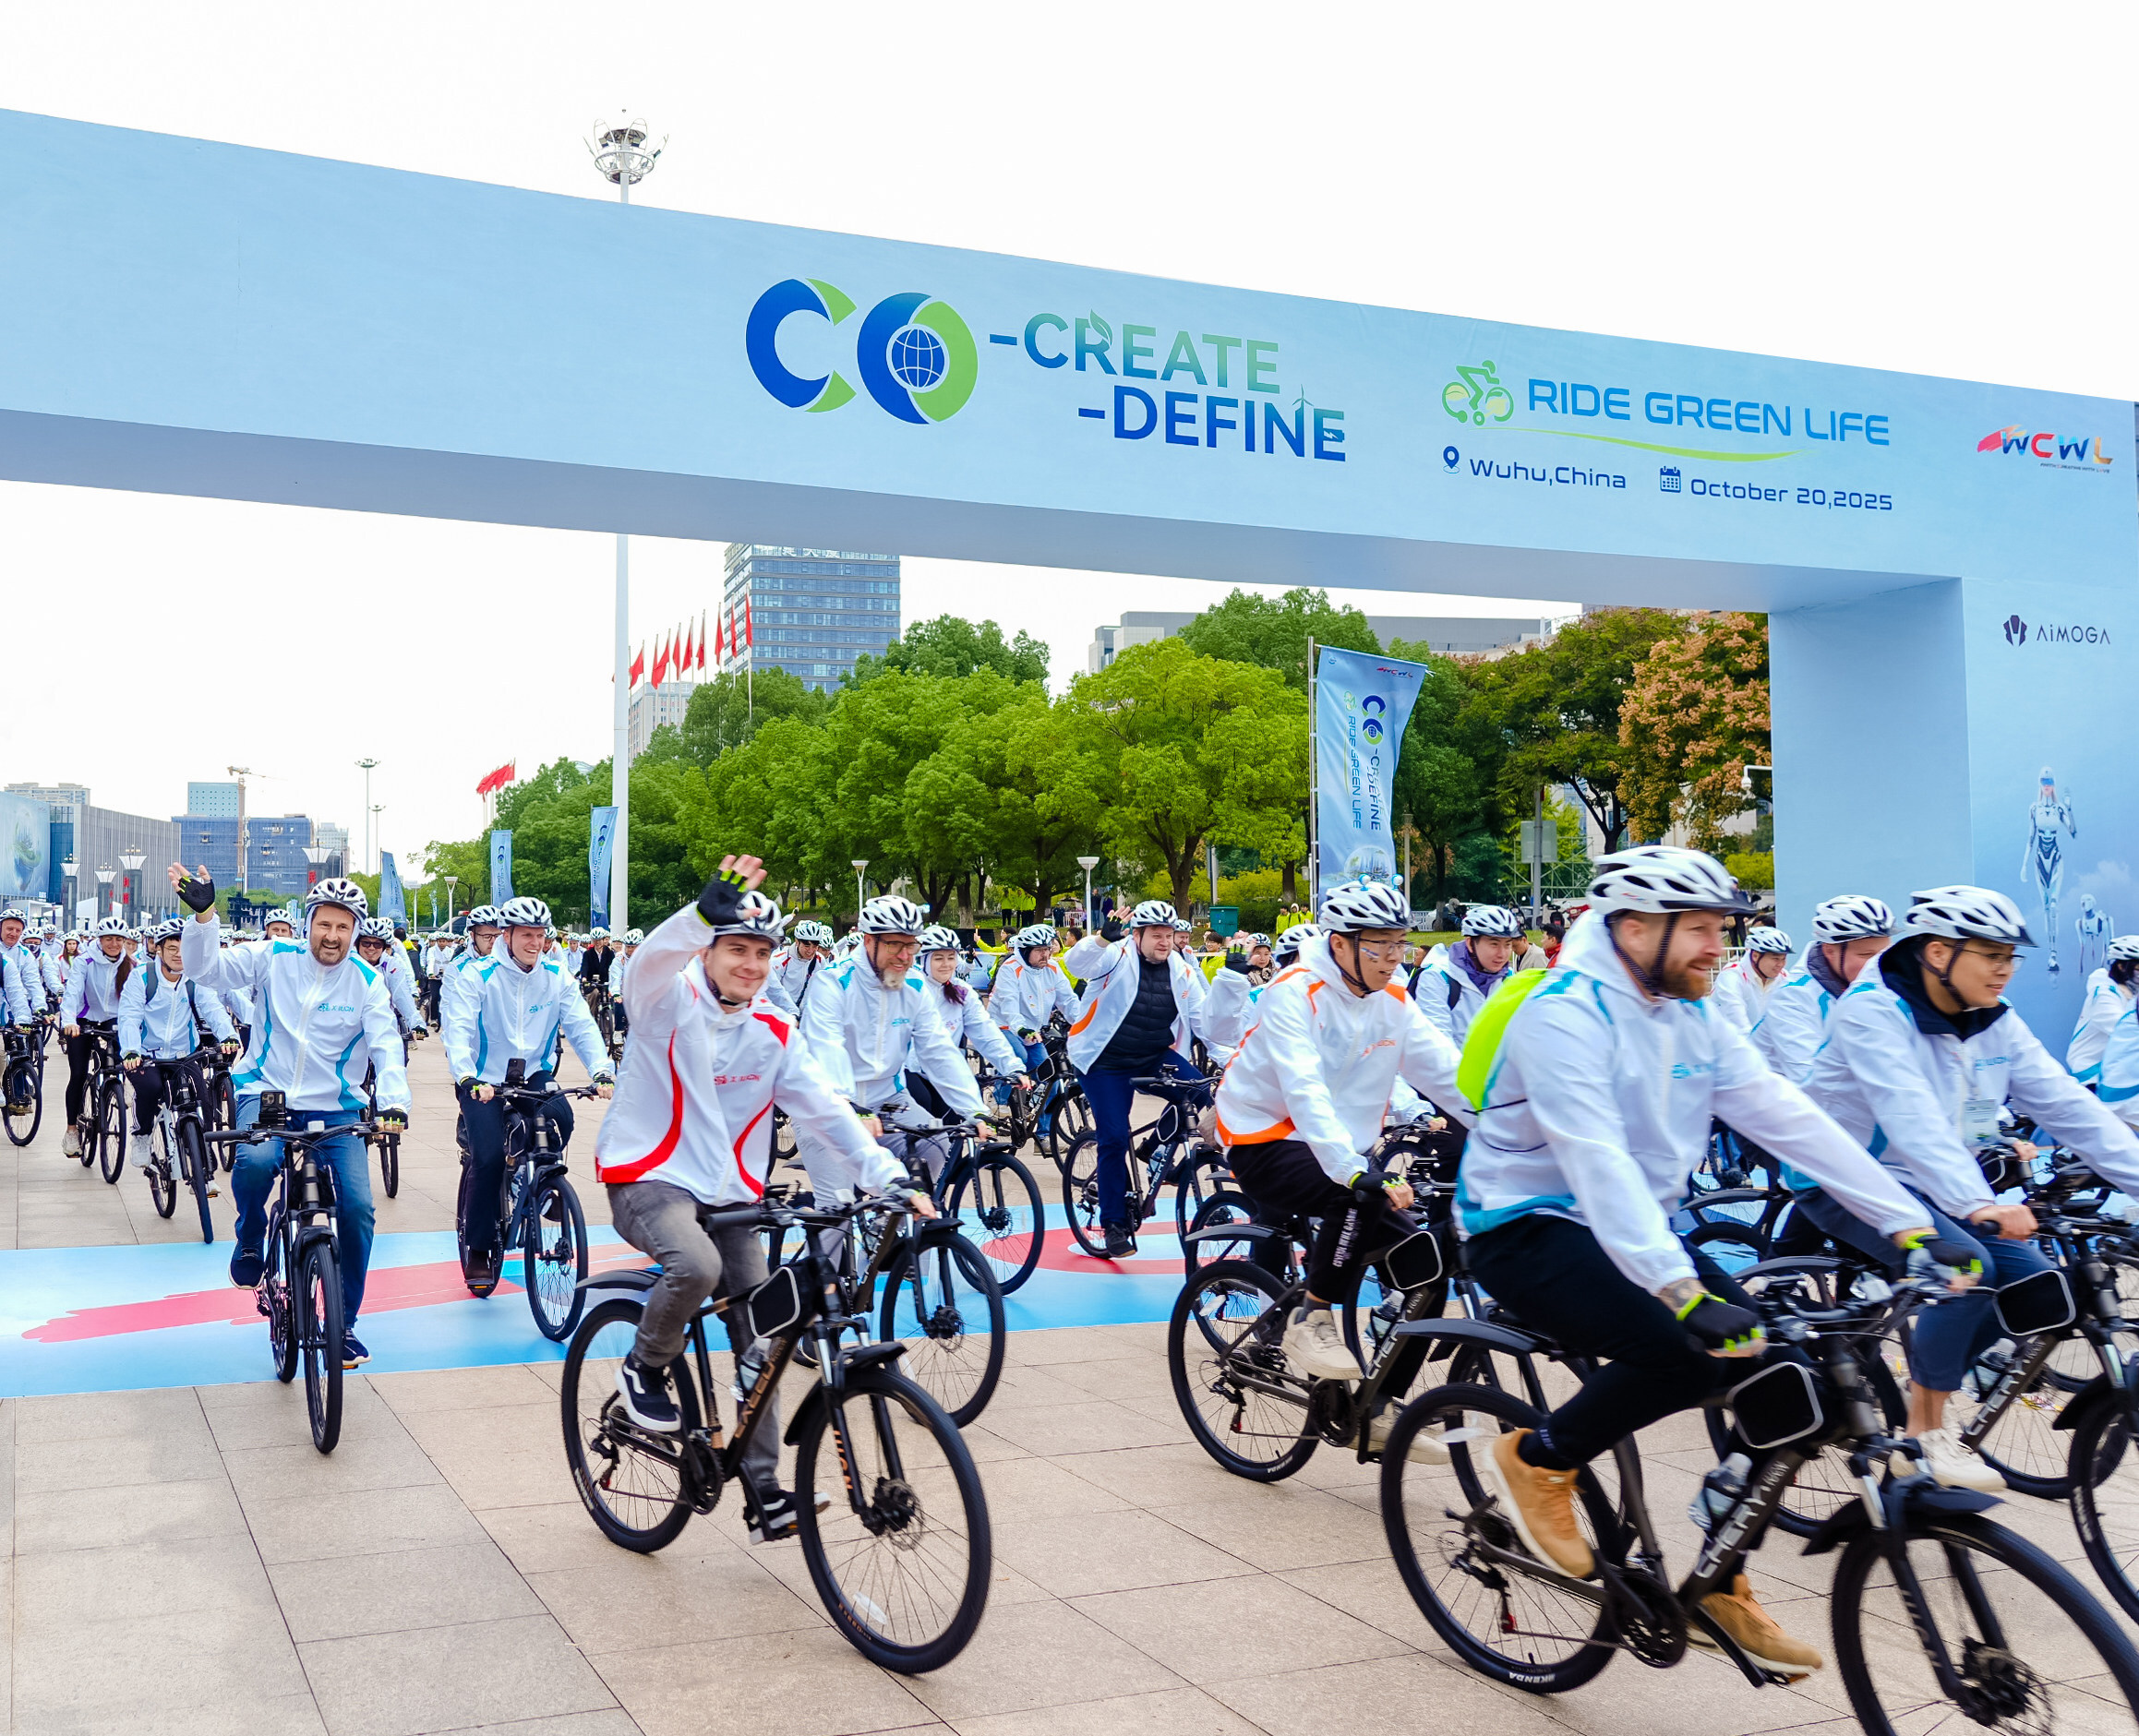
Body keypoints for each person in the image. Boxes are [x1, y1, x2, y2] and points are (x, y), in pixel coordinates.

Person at [1458, 847, 1941, 1680]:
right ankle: (1539, 1457)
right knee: (1682, 1353)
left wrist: (1907, 1223)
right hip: (1525, 1225)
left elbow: (1783, 1113)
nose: (1719, 946)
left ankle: (1719, 1576)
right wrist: (1681, 1291)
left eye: (1722, 928)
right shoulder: (1561, 1013)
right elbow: (1594, 1159)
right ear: (1631, 928)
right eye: (1701, 929)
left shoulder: (1692, 1009)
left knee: (1790, 1384)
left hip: (1639, 1229)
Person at [598, 857, 928, 1542]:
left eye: (761, 953)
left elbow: (826, 1110)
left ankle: (765, 1489)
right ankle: (644, 1366)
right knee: (695, 1267)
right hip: (649, 1176)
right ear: (708, 952)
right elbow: (648, 966)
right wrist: (697, 916)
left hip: (729, 1195)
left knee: (767, 1340)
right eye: (736, 949)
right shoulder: (667, 1003)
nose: (750, 965)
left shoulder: (775, 1029)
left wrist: (887, 1177)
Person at [1810, 885, 2139, 1489]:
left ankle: (1928, 1385)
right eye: (1990, 954)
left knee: (2039, 1282)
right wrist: (1979, 1204)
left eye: (2010, 956)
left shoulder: (1993, 1016)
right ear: (1938, 952)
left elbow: (2065, 1103)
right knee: (1967, 1267)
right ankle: (1923, 1434)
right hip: (1848, 1177)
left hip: (1935, 1179)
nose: (2004, 969)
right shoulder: (1871, 1010)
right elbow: (1909, 1116)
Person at [1214, 880, 1469, 1454]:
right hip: (1263, 1135)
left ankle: (1377, 1408)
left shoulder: (1393, 999)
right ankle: (1312, 1318)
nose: (1393, 957)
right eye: (1379, 945)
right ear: (1340, 944)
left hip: (1338, 1147)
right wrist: (1351, 1169)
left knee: (1427, 1268)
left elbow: (1449, 1074)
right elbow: (1302, 1087)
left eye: (1400, 944)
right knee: (1352, 1193)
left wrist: (1519, 1134)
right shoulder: (1293, 992)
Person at [173, 865, 409, 1368]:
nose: (333, 935)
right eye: (324, 924)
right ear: (308, 924)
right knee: (257, 1162)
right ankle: (251, 1235)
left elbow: (387, 1045)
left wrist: (393, 1102)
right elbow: (206, 972)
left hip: (336, 1109)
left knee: (358, 1209)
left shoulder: (368, 982)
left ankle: (344, 1323)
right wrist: (204, 918)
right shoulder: (273, 956)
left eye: (343, 926)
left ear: (355, 931)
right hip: (267, 1092)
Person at [443, 895, 616, 1290]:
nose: (535, 943)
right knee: (488, 1158)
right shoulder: (478, 975)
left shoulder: (556, 975)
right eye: (526, 935)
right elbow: (458, 1028)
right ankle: (479, 1249)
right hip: (483, 1079)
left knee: (562, 1118)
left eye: (540, 935)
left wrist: (602, 1070)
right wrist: (466, 1076)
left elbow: (582, 1026)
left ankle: (541, 1184)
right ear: (506, 935)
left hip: (533, 1074)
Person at [1061, 900, 1207, 1257]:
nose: (1165, 941)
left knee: (1202, 1094)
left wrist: (1232, 1062)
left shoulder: (1182, 969)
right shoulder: (1115, 955)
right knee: (1113, 1136)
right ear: (1137, 935)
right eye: (1156, 935)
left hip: (1152, 1055)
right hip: (1103, 1061)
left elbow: (1205, 1021)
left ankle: (1153, 1148)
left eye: (1169, 935)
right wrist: (1100, 940)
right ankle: (1113, 1223)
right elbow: (1076, 964)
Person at [119, 917, 239, 1155]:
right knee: (150, 1089)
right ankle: (141, 1136)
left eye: (184, 948)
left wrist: (228, 1035)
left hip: (184, 1054)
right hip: (146, 1055)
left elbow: (212, 1008)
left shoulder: (195, 978)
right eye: (172, 948)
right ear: (158, 949)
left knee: (202, 1100)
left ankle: (202, 1152)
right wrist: (131, 1050)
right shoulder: (142, 977)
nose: (179, 955)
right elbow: (129, 1016)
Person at [1752, 896, 1892, 1084]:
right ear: (1829, 951)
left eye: (1884, 954)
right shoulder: (1792, 999)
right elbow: (1811, 1081)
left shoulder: (1867, 986)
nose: (1878, 965)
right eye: (1866, 955)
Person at [914, 925, 1027, 1098]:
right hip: (912, 1073)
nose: (946, 964)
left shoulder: (962, 991)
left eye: (951, 957)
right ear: (923, 960)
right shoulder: (910, 989)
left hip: (947, 1074)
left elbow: (986, 1032)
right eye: (938, 958)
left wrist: (1012, 1067)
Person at [58, 916, 134, 1157]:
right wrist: (69, 1021)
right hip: (84, 1020)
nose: (113, 944)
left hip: (114, 1019)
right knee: (79, 1074)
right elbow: (72, 992)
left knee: (124, 1060)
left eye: (118, 939)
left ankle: (119, 1087)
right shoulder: (85, 961)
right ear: (99, 940)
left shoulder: (131, 964)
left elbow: (137, 1000)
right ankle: (72, 1131)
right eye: (108, 939)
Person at [1412, 904, 1522, 1043]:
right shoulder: (1438, 977)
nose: (1502, 954)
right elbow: (1435, 1043)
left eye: (1507, 945)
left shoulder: (1509, 978)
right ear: (1470, 943)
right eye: (1494, 944)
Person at [987, 922, 1078, 1076]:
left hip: (1032, 1032)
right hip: (1004, 1025)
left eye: (1047, 949)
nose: (1045, 955)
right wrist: (1021, 1028)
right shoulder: (1010, 969)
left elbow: (1069, 1001)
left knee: (1048, 1076)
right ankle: (1000, 1089)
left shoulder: (1052, 968)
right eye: (1039, 950)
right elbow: (1009, 1005)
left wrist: (1085, 1024)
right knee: (1019, 1059)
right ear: (1025, 950)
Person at [2069, 934, 2139, 1085]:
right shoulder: (2104, 995)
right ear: (2121, 967)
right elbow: (2123, 1030)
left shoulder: (2133, 993)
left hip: (2120, 1071)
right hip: (2093, 1075)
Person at [354, 916, 427, 1046]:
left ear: (384, 947)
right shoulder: (348, 964)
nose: (371, 948)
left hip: (382, 1021)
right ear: (357, 944)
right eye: (366, 943)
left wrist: (416, 1023)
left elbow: (401, 995)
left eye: (377, 944)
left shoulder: (392, 965)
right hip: (352, 1021)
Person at [1202, 932, 1274, 1060]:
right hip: (1242, 1042)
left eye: (1266, 954)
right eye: (1257, 953)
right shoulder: (1238, 976)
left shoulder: (1278, 976)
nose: (1262, 958)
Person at [1710, 926, 1792, 1033]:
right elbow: (1737, 1020)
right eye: (1775, 959)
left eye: (1784, 959)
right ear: (1755, 956)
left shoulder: (1783, 978)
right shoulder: (1731, 977)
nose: (1781, 964)